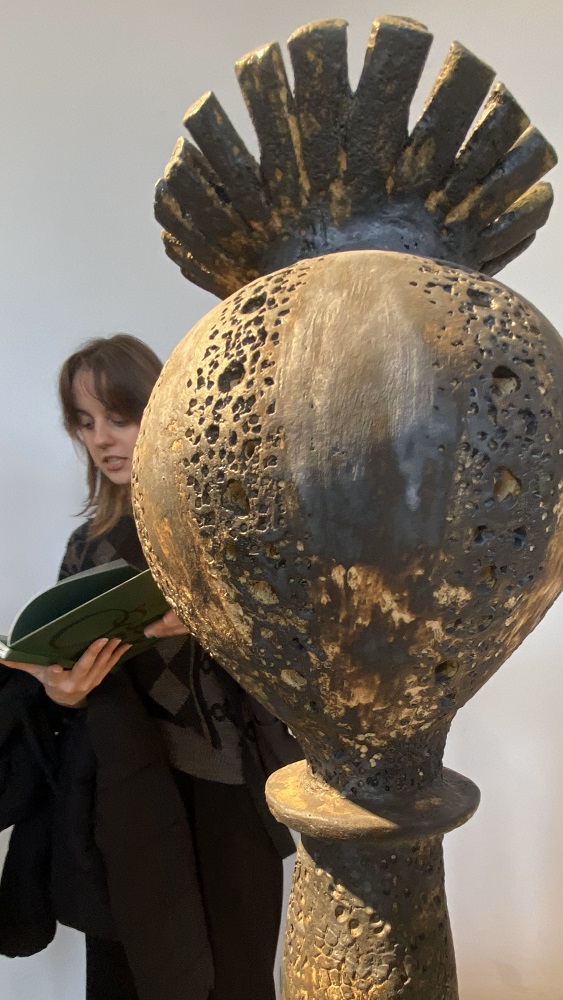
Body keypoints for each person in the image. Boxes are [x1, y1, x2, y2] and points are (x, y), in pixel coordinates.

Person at [0, 334, 300, 1000]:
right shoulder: (87, 545)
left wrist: (216, 620)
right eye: (85, 422)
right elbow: (61, 674)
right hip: (120, 794)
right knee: (127, 975)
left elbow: (303, 650)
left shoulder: (224, 520)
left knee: (234, 976)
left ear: (163, 411)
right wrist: (63, 692)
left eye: (120, 416)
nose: (102, 439)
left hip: (224, 788)